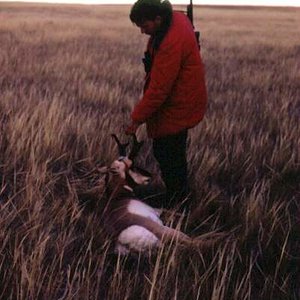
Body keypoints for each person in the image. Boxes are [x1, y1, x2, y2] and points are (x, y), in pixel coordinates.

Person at [125, 0, 207, 210]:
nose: (143, 32)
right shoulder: (176, 19)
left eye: (145, 26)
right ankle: (179, 196)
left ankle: (179, 202)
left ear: (158, 19)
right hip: (182, 98)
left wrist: (136, 120)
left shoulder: (171, 42)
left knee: (168, 152)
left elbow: (159, 90)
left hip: (179, 104)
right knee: (172, 151)